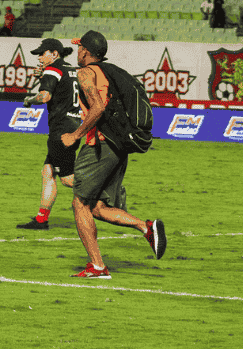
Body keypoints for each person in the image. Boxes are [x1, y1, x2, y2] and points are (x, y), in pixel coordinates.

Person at [61, 31, 167, 278]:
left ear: (86, 51)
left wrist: (75, 135)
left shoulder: (87, 72)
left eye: (79, 48)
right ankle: (146, 227)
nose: (77, 52)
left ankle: (97, 266)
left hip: (100, 145)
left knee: (80, 204)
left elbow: (97, 107)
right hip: (118, 145)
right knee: (97, 207)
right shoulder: (110, 71)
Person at [16, 39, 80, 230]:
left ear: (54, 54)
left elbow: (45, 96)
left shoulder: (53, 69)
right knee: (48, 172)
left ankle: (106, 191)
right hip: (72, 125)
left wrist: (29, 100)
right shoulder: (71, 69)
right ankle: (41, 219)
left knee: (68, 179)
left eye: (42, 54)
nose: (40, 57)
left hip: (60, 130)